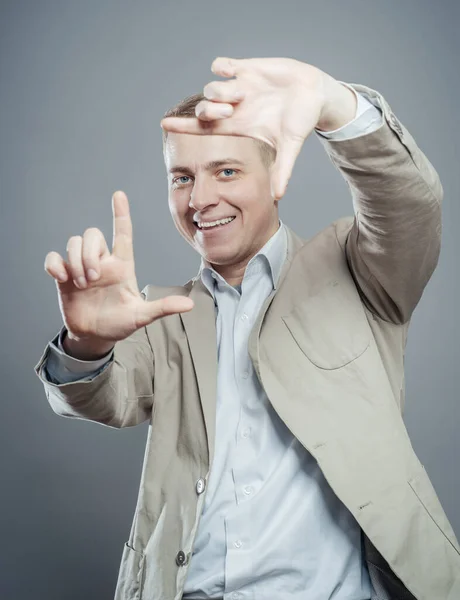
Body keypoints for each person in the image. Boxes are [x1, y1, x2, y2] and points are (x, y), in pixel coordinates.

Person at [34, 57, 460, 600]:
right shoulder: (159, 313)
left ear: (276, 177)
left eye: (226, 171)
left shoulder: (360, 269)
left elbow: (409, 204)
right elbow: (101, 399)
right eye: (182, 178)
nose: (200, 199)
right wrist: (88, 341)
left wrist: (336, 106)